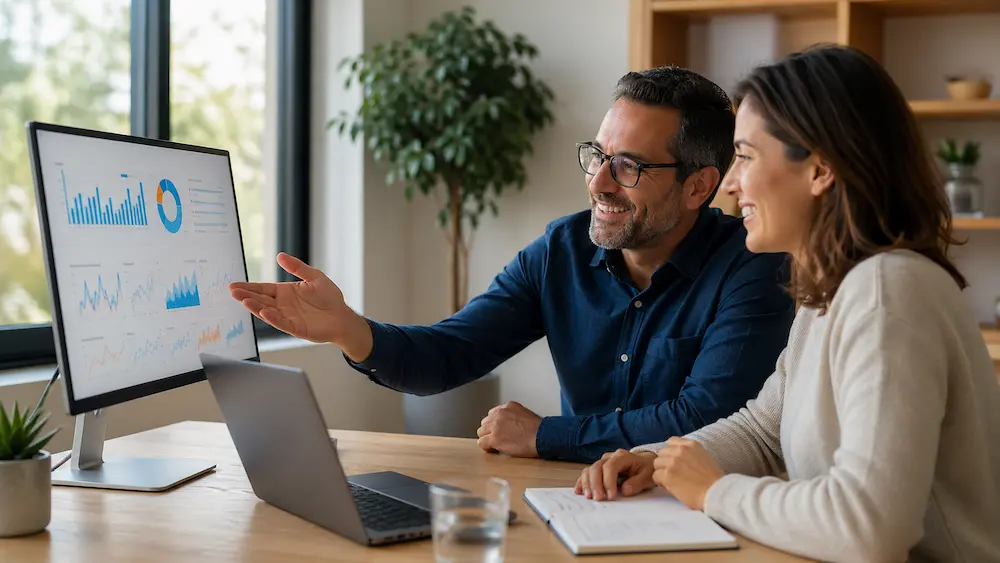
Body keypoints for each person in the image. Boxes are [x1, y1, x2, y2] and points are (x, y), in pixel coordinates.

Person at [229, 67, 795, 464]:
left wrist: (546, 435)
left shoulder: (753, 266)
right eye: (597, 155)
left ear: (699, 185)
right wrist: (349, 331)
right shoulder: (561, 251)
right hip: (580, 503)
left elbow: (706, 420)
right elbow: (451, 353)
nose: (597, 183)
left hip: (696, 514)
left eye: (627, 167)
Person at [574, 44, 1000, 563]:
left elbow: (869, 528)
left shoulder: (889, 292)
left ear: (820, 170)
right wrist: (657, 461)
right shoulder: (833, 290)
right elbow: (763, 429)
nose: (729, 184)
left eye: (746, 157)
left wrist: (712, 491)